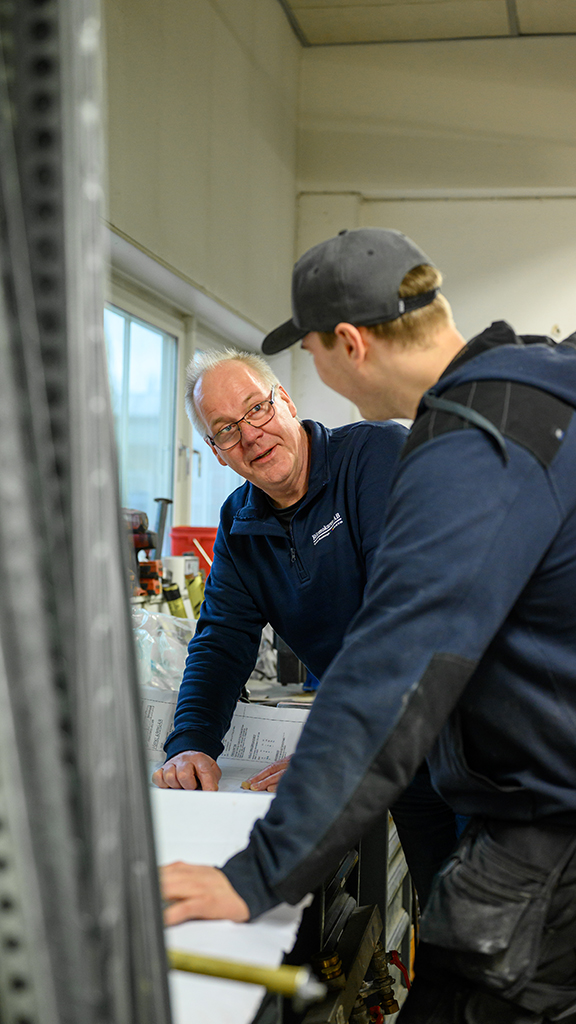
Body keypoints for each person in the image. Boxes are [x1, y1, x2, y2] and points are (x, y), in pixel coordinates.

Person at [161, 229, 576, 1024]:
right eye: (226, 429)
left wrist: (256, 874)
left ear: (347, 345)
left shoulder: (453, 448)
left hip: (537, 808)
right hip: (487, 777)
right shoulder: (523, 390)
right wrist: (192, 738)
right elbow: (221, 640)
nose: (252, 430)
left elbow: (393, 665)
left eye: (304, 362)